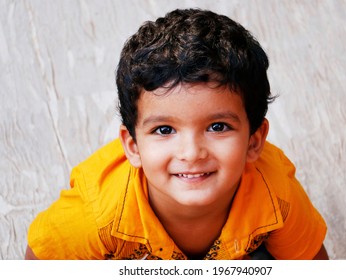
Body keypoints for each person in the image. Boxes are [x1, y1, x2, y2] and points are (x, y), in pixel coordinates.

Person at [25, 8, 328, 260]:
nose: (192, 152)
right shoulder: (98, 214)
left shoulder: (276, 197)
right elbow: (38, 261)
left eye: (217, 127)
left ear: (254, 141)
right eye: (164, 130)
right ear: (132, 146)